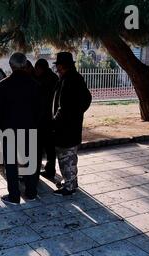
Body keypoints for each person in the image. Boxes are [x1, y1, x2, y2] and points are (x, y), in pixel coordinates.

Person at [0, 52, 42, 205]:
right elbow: (40, 111)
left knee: (11, 164)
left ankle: (14, 196)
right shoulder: (35, 85)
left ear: (11, 65)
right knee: (30, 162)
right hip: (30, 129)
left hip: (9, 131)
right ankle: (31, 192)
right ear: (25, 64)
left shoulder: (3, 85)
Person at [52, 52, 92, 196]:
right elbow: (88, 98)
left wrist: (54, 122)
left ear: (63, 66)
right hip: (73, 125)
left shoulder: (68, 80)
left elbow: (63, 107)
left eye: (58, 66)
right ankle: (71, 182)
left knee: (66, 157)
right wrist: (78, 112)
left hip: (65, 128)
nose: (57, 69)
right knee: (70, 157)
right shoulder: (76, 78)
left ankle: (69, 187)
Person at [35, 59, 59, 179]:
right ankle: (50, 169)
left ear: (41, 68)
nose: (36, 71)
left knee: (47, 146)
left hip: (46, 117)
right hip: (49, 117)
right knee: (50, 147)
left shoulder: (46, 80)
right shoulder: (54, 77)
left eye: (37, 69)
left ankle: (49, 169)